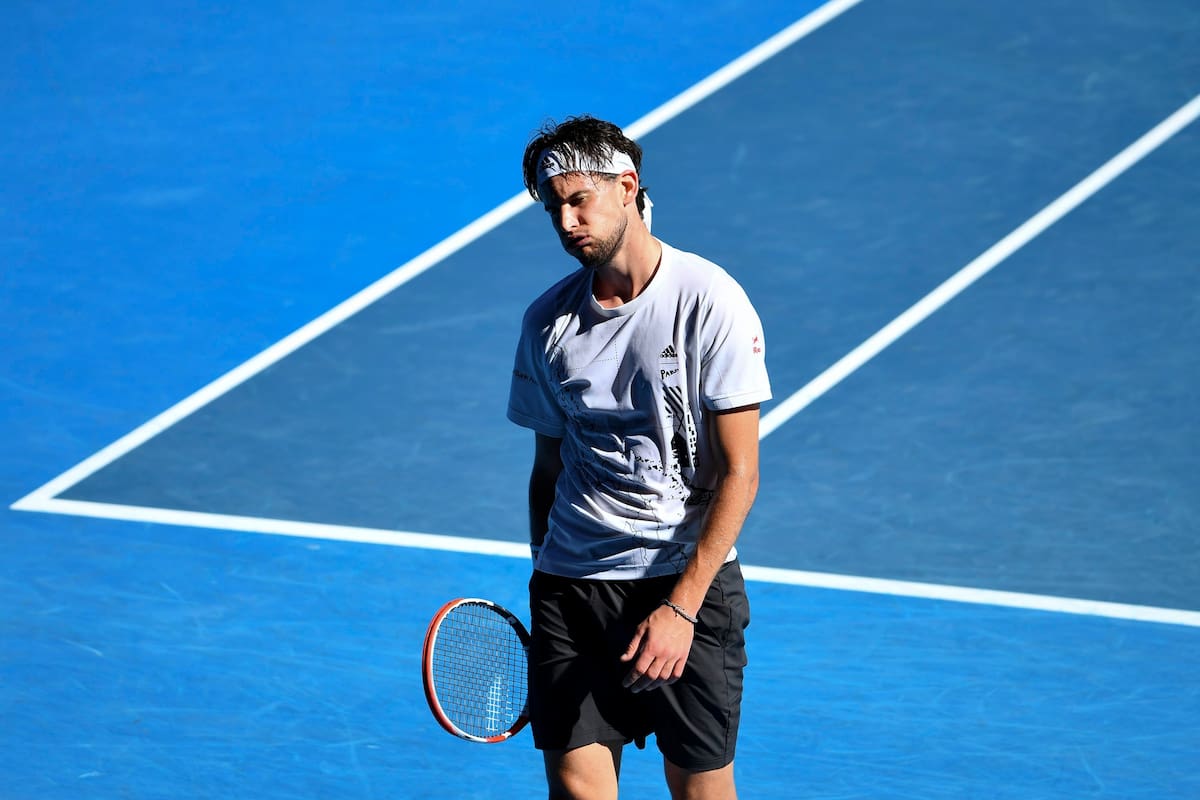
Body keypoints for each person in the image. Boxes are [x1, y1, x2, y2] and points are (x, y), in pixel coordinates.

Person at [507, 115, 771, 800]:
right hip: (573, 587)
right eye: (551, 206)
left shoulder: (709, 299)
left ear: (626, 187)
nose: (565, 221)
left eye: (577, 200)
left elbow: (740, 473)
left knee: (701, 793)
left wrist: (682, 609)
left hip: (682, 579)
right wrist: (546, 583)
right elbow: (548, 469)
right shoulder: (547, 322)